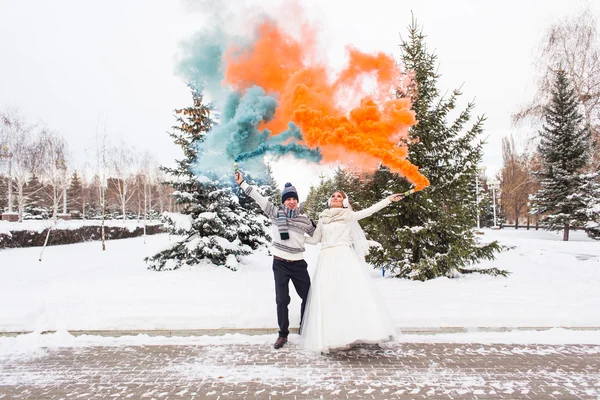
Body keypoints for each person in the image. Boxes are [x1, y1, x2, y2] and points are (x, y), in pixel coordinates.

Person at [301, 190, 405, 353]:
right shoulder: (323, 218)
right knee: (329, 296)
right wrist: (296, 238)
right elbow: (315, 240)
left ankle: (354, 333)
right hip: (326, 258)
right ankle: (333, 337)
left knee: (349, 294)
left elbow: (371, 210)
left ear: (344, 201)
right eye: (333, 196)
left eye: (339, 196)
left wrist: (388, 200)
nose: (335, 198)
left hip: (344, 257)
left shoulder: (349, 215)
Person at [235, 170, 316, 349]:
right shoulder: (274, 212)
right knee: (282, 299)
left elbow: (318, 235)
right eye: (288, 199)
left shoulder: (305, 220)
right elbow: (259, 198)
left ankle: (306, 327)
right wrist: (242, 183)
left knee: (308, 297)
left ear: (297, 200)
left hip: (299, 264)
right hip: (280, 263)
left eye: (294, 198)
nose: (292, 201)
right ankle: (283, 334)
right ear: (283, 201)